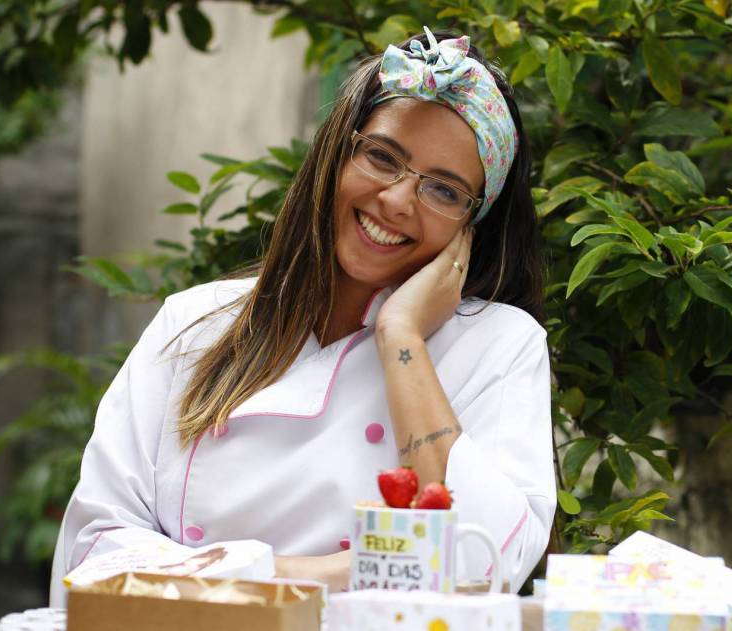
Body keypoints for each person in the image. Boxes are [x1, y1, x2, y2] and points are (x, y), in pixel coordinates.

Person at [48, 27, 556, 606]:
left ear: (472, 224)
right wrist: (324, 573)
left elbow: (481, 564)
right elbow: (94, 549)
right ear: (335, 156)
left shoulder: (496, 344)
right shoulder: (194, 324)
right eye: (382, 157)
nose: (396, 200)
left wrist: (402, 338)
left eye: (444, 191)